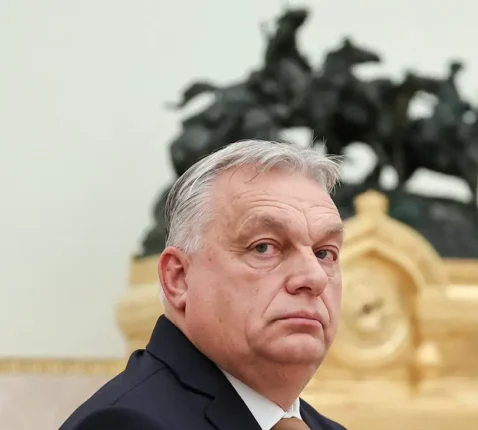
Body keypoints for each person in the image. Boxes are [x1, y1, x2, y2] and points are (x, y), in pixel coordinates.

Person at [60, 139, 346, 430]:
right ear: (178, 278)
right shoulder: (124, 423)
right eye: (263, 247)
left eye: (324, 253)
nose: (314, 278)